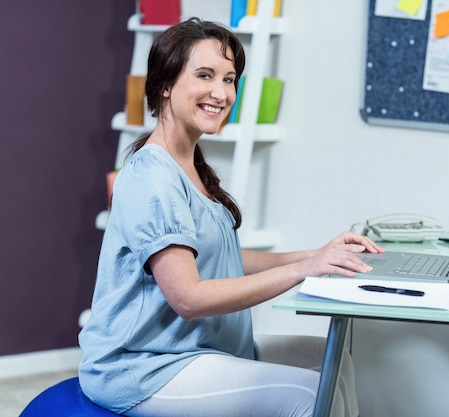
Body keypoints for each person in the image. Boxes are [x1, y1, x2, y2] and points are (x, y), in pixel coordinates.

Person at [78, 18, 383, 417]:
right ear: (165, 85)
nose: (221, 93)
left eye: (229, 79)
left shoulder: (190, 167)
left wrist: (318, 255)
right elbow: (188, 297)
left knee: (334, 360)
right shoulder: (153, 177)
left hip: (196, 345)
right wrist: (305, 270)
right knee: (310, 396)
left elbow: (222, 259)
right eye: (205, 75)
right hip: (144, 365)